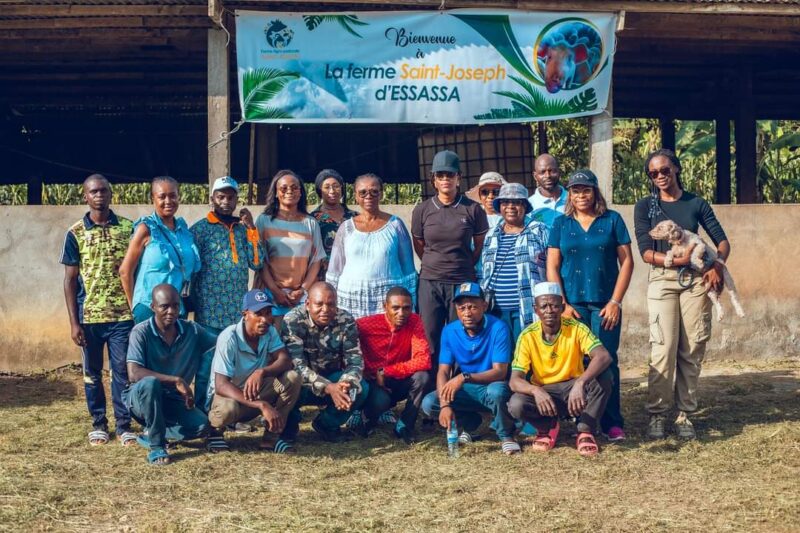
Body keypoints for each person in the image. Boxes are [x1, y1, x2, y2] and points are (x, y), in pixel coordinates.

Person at [633, 148, 730, 440]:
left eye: (664, 170)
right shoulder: (645, 207)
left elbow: (722, 241)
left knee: (692, 348)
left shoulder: (695, 203)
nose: (660, 177)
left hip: (696, 280)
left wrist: (716, 265)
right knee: (663, 348)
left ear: (676, 169)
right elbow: (645, 251)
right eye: (653, 173)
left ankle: (684, 413)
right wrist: (675, 260)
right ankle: (657, 415)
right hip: (662, 279)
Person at [546, 169, 634, 442]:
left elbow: (627, 262)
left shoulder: (612, 220)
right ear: (569, 194)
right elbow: (553, 265)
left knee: (606, 360)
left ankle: (611, 422)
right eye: (575, 190)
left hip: (605, 305)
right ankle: (582, 420)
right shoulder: (561, 224)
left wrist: (615, 301)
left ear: (595, 192)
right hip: (573, 305)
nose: (581, 195)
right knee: (576, 362)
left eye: (586, 190)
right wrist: (563, 304)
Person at [60, 174, 136, 447]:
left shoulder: (129, 229)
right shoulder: (76, 232)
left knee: (122, 373)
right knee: (91, 374)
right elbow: (69, 280)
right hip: (89, 317)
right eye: (93, 191)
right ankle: (99, 425)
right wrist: (74, 322)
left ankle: (125, 425)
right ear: (85, 196)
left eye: (104, 190)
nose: (99, 195)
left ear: (111, 194)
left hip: (122, 317)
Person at [508, 283, 612, 457]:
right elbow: (514, 380)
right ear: (536, 309)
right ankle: (547, 426)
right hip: (546, 391)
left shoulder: (576, 327)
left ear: (563, 307)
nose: (549, 310)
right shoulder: (527, 336)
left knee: (605, 376)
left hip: (573, 388)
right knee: (516, 404)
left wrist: (580, 382)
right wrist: (535, 390)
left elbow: (603, 356)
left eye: (555, 305)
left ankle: (585, 430)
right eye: (544, 306)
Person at [190, 176, 265, 410]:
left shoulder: (243, 230)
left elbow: (257, 261)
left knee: (235, 367)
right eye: (221, 196)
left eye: (230, 197)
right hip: (209, 313)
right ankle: (203, 412)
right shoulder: (200, 230)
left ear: (236, 199)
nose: (226, 201)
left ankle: (234, 414)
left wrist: (252, 228)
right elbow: (191, 269)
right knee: (206, 367)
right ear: (212, 198)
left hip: (236, 315)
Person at [421, 282, 521, 455]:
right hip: (467, 388)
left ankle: (506, 436)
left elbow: (500, 372)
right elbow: (443, 371)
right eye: (462, 307)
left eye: (473, 307)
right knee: (430, 402)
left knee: (497, 391)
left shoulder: (498, 327)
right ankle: (471, 423)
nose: (467, 313)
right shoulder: (449, 331)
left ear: (484, 305)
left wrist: (463, 377)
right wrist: (445, 405)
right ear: (456, 309)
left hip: (491, 385)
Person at [411, 150, 489, 372]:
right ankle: (432, 388)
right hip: (430, 281)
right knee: (430, 334)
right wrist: (434, 263)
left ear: (459, 178)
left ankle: (459, 386)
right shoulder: (423, 210)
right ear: (433, 179)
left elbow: (479, 244)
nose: (446, 179)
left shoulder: (473, 209)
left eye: (450, 175)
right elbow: (419, 244)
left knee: (461, 333)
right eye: (441, 175)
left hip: (462, 282)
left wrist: (463, 264)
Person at [124, 284, 219, 465]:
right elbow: (134, 373)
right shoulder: (141, 332)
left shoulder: (192, 330)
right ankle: (157, 446)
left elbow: (221, 343)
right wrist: (176, 380)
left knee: (201, 427)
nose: (171, 311)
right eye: (164, 306)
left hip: (173, 400)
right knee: (151, 383)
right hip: (141, 398)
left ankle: (152, 431)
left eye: (176, 305)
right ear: (153, 307)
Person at [206, 289, 302, 453]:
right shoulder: (229, 337)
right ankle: (215, 434)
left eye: (268, 313)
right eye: (258, 313)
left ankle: (272, 437)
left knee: (291, 379)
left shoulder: (269, 331)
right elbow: (221, 385)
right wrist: (261, 404)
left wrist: (261, 372)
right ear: (245, 314)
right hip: (231, 398)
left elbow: (285, 360)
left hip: (257, 392)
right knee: (227, 410)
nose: (264, 319)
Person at [281, 282, 369, 442]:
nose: (325, 310)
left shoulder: (346, 320)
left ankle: (327, 425)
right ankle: (289, 426)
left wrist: (345, 383)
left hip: (333, 378)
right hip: (303, 384)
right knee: (289, 379)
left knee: (359, 388)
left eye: (331, 304)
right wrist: (329, 388)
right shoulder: (292, 320)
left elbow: (355, 361)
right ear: (308, 304)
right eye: (319, 304)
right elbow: (297, 366)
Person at [326, 173, 418, 318]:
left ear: (381, 194)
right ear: (355, 196)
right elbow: (334, 271)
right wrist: (330, 301)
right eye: (363, 192)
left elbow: (408, 270)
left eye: (374, 191)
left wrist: (411, 304)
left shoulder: (395, 225)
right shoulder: (346, 228)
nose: (368, 196)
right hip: (351, 300)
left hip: (388, 300)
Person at [356, 287, 432, 444]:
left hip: (397, 378)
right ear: (385, 307)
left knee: (422, 377)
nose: (402, 313)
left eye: (406, 308)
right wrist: (361, 368)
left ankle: (405, 425)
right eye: (395, 308)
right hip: (373, 382)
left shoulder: (414, 321)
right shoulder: (367, 324)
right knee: (381, 400)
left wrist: (386, 371)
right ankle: (366, 417)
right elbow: (346, 340)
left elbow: (424, 360)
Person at [119, 176, 200, 323]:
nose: (168, 201)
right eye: (162, 196)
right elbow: (125, 271)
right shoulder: (146, 229)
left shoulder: (184, 231)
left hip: (177, 309)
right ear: (153, 199)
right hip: (149, 309)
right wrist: (135, 307)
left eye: (173, 196)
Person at [256, 169, 326, 327]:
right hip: (270, 296)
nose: (290, 191)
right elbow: (260, 260)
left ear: (301, 193)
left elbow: (316, 260)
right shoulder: (264, 221)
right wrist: (275, 291)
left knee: (299, 347)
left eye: (295, 188)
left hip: (301, 297)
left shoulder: (310, 223)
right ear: (275, 193)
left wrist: (302, 290)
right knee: (272, 345)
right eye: (284, 188)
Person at [480, 182, 549, 342]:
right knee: (501, 359)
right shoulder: (491, 235)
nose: (510, 207)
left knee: (526, 355)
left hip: (527, 308)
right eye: (505, 202)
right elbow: (483, 271)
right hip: (495, 311)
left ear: (525, 206)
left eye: (516, 202)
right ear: (499, 206)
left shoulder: (539, 230)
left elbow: (552, 266)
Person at [310, 169, 358, 280]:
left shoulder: (355, 217)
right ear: (319, 191)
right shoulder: (312, 219)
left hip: (352, 274)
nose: (332, 191)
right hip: (323, 276)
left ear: (342, 188)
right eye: (326, 187)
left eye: (336, 186)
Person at [528, 153, 568, 229]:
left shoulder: (573, 200)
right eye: (542, 172)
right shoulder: (529, 206)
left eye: (552, 171)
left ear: (559, 172)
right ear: (535, 176)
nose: (548, 176)